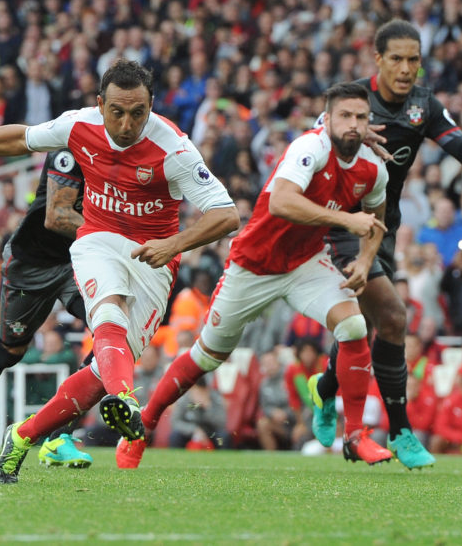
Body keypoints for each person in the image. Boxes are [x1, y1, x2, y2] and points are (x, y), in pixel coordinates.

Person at [0, 59, 239, 484]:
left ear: (152, 105)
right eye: (116, 111)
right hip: (90, 240)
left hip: (154, 256)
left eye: (138, 112)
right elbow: (21, 139)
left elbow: (227, 216)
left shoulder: (174, 148)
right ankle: (122, 400)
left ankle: (22, 437)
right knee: (51, 334)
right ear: (100, 104)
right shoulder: (78, 127)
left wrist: (174, 244)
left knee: (102, 368)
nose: (126, 123)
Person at [115, 81, 393, 469]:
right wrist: (346, 219)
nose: (353, 124)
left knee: (354, 328)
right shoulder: (310, 148)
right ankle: (143, 424)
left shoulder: (373, 168)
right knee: (207, 356)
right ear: (327, 119)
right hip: (253, 264)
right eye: (345, 115)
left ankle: (356, 435)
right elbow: (281, 201)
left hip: (305, 263)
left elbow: (375, 220)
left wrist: (364, 262)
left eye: (361, 118)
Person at [309, 19, 462, 470]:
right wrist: (348, 139)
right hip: (342, 222)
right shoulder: (352, 101)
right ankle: (401, 432)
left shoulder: (424, 105)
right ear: (378, 59)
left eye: (414, 59)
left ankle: (327, 388)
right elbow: (312, 146)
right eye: (396, 58)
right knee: (393, 317)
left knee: (369, 325)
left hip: (382, 228)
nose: (406, 68)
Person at [0, 146, 93, 469]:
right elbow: (57, 216)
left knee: (110, 331)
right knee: (9, 351)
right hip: (31, 265)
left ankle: (59, 436)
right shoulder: (69, 151)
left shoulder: (123, 159)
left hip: (77, 263)